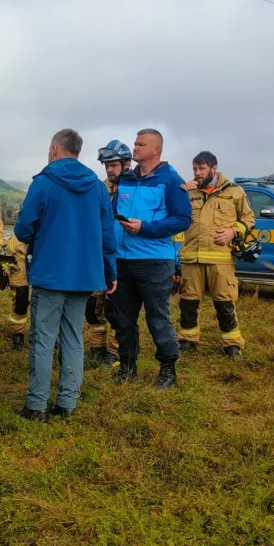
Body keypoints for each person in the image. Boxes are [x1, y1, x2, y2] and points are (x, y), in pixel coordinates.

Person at [13, 129, 117, 420]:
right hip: (84, 276)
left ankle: (36, 406)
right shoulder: (97, 187)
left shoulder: (44, 182)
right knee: (74, 338)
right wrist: (111, 271)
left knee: (43, 339)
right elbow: (108, 234)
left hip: (50, 274)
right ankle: (67, 404)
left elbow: (23, 228)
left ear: (55, 149)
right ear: (78, 151)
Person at [108, 129, 192, 389]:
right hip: (123, 260)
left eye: (141, 144)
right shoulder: (126, 180)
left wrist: (145, 228)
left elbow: (183, 220)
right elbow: (112, 215)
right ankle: (127, 367)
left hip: (154, 261)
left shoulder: (171, 181)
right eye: (135, 143)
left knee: (157, 318)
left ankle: (168, 370)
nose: (135, 147)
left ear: (156, 150)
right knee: (123, 319)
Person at [177, 151, 255, 358]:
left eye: (202, 168)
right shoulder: (188, 192)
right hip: (191, 259)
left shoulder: (234, 191)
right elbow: (174, 216)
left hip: (220, 259)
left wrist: (232, 231)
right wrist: (181, 192)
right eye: (195, 169)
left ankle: (232, 344)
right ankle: (188, 340)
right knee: (188, 303)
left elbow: (249, 220)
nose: (197, 173)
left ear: (214, 168)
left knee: (224, 303)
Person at [88, 140, 130, 367]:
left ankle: (115, 352)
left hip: (123, 257)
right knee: (93, 307)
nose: (109, 170)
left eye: (113, 165)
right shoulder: (100, 188)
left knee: (116, 309)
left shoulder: (134, 188)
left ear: (126, 164)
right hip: (98, 257)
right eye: (106, 165)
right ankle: (97, 348)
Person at [2, 235, 30, 351]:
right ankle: (18, 333)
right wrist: (5, 267)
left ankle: (50, 334)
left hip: (46, 258)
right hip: (21, 259)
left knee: (49, 299)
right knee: (20, 299)